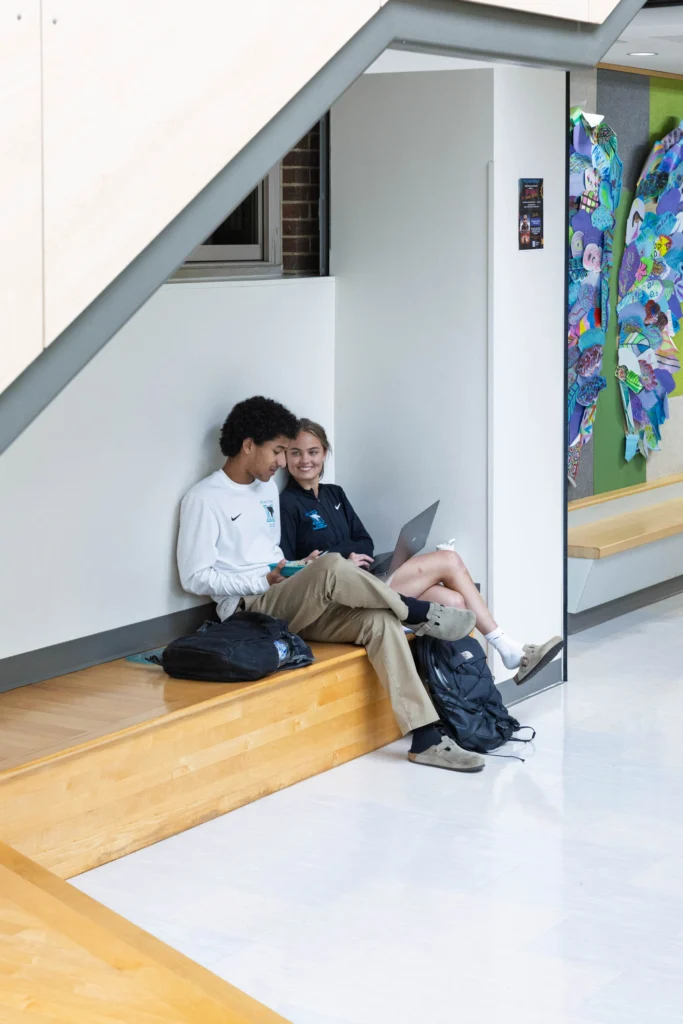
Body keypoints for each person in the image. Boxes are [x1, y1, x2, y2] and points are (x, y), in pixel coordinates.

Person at [177, 396, 485, 773]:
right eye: (276, 451)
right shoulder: (204, 498)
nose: (280, 462)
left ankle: (425, 738)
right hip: (248, 609)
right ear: (248, 445)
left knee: (378, 620)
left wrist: (294, 566)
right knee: (332, 565)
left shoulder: (265, 490)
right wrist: (264, 577)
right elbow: (194, 577)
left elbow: (270, 552)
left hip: (285, 594)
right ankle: (419, 611)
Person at [280, 418, 563, 687]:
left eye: (313, 451)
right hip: (343, 596)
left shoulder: (334, 494)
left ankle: (462, 694)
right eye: (296, 453)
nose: (305, 460)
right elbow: (291, 564)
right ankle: (508, 649)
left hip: (367, 577)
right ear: (285, 457)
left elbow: (365, 542)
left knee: (453, 601)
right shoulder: (287, 503)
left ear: (325, 453)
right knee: (449, 561)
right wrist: (342, 559)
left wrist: (345, 555)